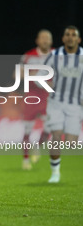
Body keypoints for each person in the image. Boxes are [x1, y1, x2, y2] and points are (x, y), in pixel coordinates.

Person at [38, 25, 83, 183]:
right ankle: (55, 173)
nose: (70, 37)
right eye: (67, 35)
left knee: (71, 143)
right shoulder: (54, 55)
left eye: (73, 35)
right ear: (63, 38)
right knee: (56, 135)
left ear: (78, 39)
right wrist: (47, 85)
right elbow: (40, 76)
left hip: (75, 105)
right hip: (56, 102)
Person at [19, 30, 53, 170]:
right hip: (31, 97)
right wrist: (31, 75)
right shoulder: (28, 56)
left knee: (49, 128)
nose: (45, 40)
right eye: (42, 38)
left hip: (48, 97)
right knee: (27, 130)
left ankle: (37, 147)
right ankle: (26, 160)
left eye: (48, 38)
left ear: (51, 41)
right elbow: (17, 75)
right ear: (37, 40)